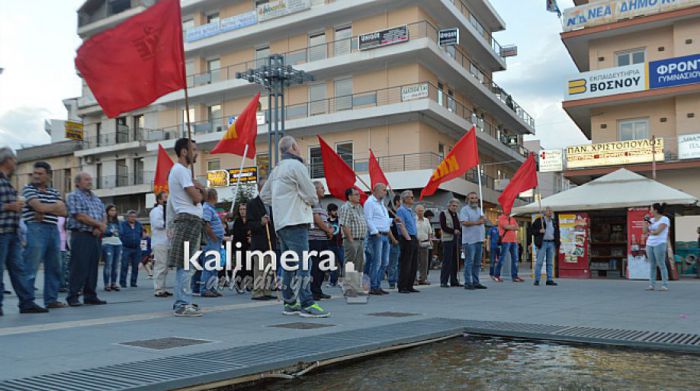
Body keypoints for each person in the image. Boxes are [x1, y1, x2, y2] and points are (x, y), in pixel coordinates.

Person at [260, 136, 329, 318]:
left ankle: (290, 302)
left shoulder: (276, 170)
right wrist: (302, 199)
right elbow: (312, 195)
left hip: (281, 223)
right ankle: (307, 303)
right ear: (292, 147)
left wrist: (282, 203)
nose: (299, 150)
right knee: (303, 263)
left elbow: (264, 196)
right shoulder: (297, 166)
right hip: (296, 220)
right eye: (298, 147)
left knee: (289, 265)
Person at [0, 147, 48, 315]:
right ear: (6, 161)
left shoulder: (7, 181)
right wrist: (9, 206)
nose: (15, 162)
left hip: (11, 232)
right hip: (2, 231)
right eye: (13, 159)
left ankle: (27, 303)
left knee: (18, 268)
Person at [22, 161, 68, 309]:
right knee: (31, 266)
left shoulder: (54, 191)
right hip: (35, 229)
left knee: (54, 266)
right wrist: (51, 207)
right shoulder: (28, 189)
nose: (36, 176)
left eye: (40, 174)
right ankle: (27, 301)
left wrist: (43, 209)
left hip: (52, 229)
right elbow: (39, 206)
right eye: (34, 173)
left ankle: (51, 299)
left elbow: (64, 211)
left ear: (48, 175)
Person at [167, 138, 205, 317]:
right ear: (184, 152)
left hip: (190, 220)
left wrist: (198, 188)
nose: (195, 153)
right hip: (188, 219)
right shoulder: (181, 171)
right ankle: (182, 303)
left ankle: (184, 300)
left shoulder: (182, 172)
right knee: (186, 263)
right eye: (193, 150)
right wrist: (199, 188)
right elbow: (197, 198)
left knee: (188, 263)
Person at [66, 172, 107, 306]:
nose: (90, 181)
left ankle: (90, 295)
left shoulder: (95, 198)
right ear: (77, 183)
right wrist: (98, 224)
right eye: (86, 179)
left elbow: (103, 213)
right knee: (78, 266)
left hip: (94, 235)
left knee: (92, 266)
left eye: (90, 179)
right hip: (81, 234)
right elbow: (79, 216)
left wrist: (100, 226)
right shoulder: (73, 196)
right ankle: (73, 296)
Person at [247, 179, 277, 301]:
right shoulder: (253, 203)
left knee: (269, 268)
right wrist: (260, 222)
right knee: (260, 268)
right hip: (259, 241)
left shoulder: (272, 203)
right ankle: (258, 292)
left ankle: (267, 290)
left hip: (271, 240)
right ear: (260, 188)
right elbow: (249, 224)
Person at [364, 183, 392, 296]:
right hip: (377, 236)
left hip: (385, 234)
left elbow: (383, 219)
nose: (386, 192)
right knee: (377, 262)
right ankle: (373, 286)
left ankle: (377, 285)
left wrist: (391, 222)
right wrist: (375, 232)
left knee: (384, 262)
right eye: (384, 190)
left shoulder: (381, 204)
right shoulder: (370, 203)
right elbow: (368, 219)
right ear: (376, 190)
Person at [309, 181, 334, 300]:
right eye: (322, 188)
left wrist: (330, 228)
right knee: (315, 265)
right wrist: (328, 230)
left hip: (323, 238)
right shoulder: (312, 202)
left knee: (322, 265)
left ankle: (318, 289)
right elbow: (317, 219)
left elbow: (324, 220)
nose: (324, 190)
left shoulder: (320, 204)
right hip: (314, 238)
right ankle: (313, 291)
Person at [459, 192, 487, 290]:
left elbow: (483, 221)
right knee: (469, 261)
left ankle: (476, 281)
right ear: (467, 199)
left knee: (477, 262)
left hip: (479, 239)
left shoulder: (480, 210)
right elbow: (464, 222)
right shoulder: (464, 209)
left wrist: (484, 219)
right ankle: (467, 282)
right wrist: (477, 222)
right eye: (472, 198)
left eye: (475, 198)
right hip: (469, 240)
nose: (474, 200)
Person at [200, 188, 224, 298]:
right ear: (214, 197)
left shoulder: (211, 208)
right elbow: (206, 224)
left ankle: (212, 287)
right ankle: (205, 288)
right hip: (211, 240)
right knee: (209, 264)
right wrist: (213, 237)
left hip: (216, 240)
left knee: (214, 265)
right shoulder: (207, 208)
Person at [338, 187, 367, 274]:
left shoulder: (358, 208)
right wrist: (351, 240)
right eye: (356, 195)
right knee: (350, 263)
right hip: (352, 240)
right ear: (349, 197)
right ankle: (348, 285)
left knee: (359, 264)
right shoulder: (346, 208)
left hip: (360, 240)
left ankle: (356, 284)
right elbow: (345, 225)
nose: (359, 196)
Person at [396, 190, 419, 294]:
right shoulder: (401, 210)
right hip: (406, 238)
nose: (412, 199)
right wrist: (408, 238)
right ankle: (402, 285)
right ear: (405, 199)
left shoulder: (410, 211)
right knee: (406, 263)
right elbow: (401, 225)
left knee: (413, 263)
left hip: (413, 237)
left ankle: (410, 285)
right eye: (411, 197)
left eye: (412, 197)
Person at [645, 203, 671, 291]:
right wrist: (645, 221)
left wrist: (649, 232)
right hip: (650, 243)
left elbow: (658, 232)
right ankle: (651, 284)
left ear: (655, 210)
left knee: (661, 264)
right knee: (652, 264)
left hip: (660, 243)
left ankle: (665, 284)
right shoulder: (651, 220)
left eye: (651, 208)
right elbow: (644, 231)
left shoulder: (664, 219)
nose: (650, 210)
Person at [150, 192, 171, 297]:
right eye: (165, 198)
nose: (167, 199)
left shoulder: (167, 210)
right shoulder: (156, 211)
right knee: (160, 266)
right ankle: (158, 289)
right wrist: (169, 223)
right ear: (159, 200)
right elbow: (158, 224)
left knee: (165, 267)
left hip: (167, 242)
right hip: (159, 242)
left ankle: (163, 288)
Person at [533, 207, 559, 286]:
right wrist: (539, 231)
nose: (550, 212)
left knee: (550, 263)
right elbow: (531, 230)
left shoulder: (554, 222)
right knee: (539, 262)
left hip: (551, 243)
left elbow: (557, 232)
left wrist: (557, 242)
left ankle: (549, 279)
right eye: (549, 211)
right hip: (542, 243)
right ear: (544, 212)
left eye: (551, 211)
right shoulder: (539, 220)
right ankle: (537, 280)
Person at [495, 212, 524, 283]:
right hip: (505, 240)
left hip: (514, 240)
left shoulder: (512, 218)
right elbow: (506, 227)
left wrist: (511, 226)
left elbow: (517, 228)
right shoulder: (501, 218)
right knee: (502, 258)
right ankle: (497, 275)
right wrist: (512, 226)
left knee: (515, 259)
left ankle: (515, 276)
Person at [439, 199, 462, 288]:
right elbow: (443, 226)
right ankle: (444, 281)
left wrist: (459, 231)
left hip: (456, 240)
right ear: (449, 206)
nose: (454, 207)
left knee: (456, 261)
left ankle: (454, 280)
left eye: (456, 206)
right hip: (447, 240)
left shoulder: (457, 215)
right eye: (453, 205)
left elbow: (459, 226)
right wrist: (453, 231)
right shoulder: (443, 214)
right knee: (447, 261)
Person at [119, 210, 143, 288]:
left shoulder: (139, 225)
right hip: (126, 248)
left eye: (134, 217)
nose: (133, 218)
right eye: (131, 217)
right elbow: (120, 234)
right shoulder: (123, 224)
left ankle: (133, 282)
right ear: (128, 217)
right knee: (124, 265)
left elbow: (141, 234)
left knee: (135, 266)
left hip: (136, 248)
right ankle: (123, 283)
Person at [232, 203, 253, 291]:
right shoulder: (237, 221)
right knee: (241, 266)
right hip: (239, 246)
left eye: (244, 209)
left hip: (249, 246)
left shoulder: (250, 220)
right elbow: (237, 234)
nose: (242, 211)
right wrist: (246, 236)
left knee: (250, 265)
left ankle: (249, 284)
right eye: (241, 209)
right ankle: (238, 284)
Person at [102, 205, 122, 291]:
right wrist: (111, 231)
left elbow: (121, 231)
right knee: (108, 264)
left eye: (114, 210)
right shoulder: (104, 221)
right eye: (111, 210)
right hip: (107, 243)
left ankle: (114, 283)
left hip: (117, 243)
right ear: (107, 212)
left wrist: (113, 232)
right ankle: (107, 284)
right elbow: (104, 231)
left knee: (116, 265)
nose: (113, 212)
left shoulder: (117, 222)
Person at [386, 195, 403, 289]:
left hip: (402, 240)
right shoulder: (390, 213)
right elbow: (388, 227)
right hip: (394, 240)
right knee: (393, 262)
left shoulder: (401, 212)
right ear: (397, 202)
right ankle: (392, 280)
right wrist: (393, 239)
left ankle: (399, 279)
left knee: (400, 261)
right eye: (401, 200)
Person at [326, 203, 343, 288]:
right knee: (332, 264)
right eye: (333, 210)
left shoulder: (339, 220)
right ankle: (332, 281)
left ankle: (342, 280)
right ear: (329, 211)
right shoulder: (326, 220)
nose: (335, 212)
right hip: (330, 244)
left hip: (339, 244)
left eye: (336, 210)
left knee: (343, 262)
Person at [415, 204, 432, 285]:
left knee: (424, 262)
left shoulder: (426, 220)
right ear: (416, 211)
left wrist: (430, 239)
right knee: (415, 262)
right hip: (416, 243)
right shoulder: (413, 219)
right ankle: (414, 279)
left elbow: (430, 231)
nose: (421, 212)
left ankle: (423, 279)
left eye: (422, 211)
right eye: (419, 211)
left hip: (425, 243)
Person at [57, 215, 70, 292]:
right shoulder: (59, 218)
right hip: (60, 245)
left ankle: (63, 284)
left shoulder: (66, 219)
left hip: (65, 245)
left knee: (64, 267)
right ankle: (62, 284)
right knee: (62, 267)